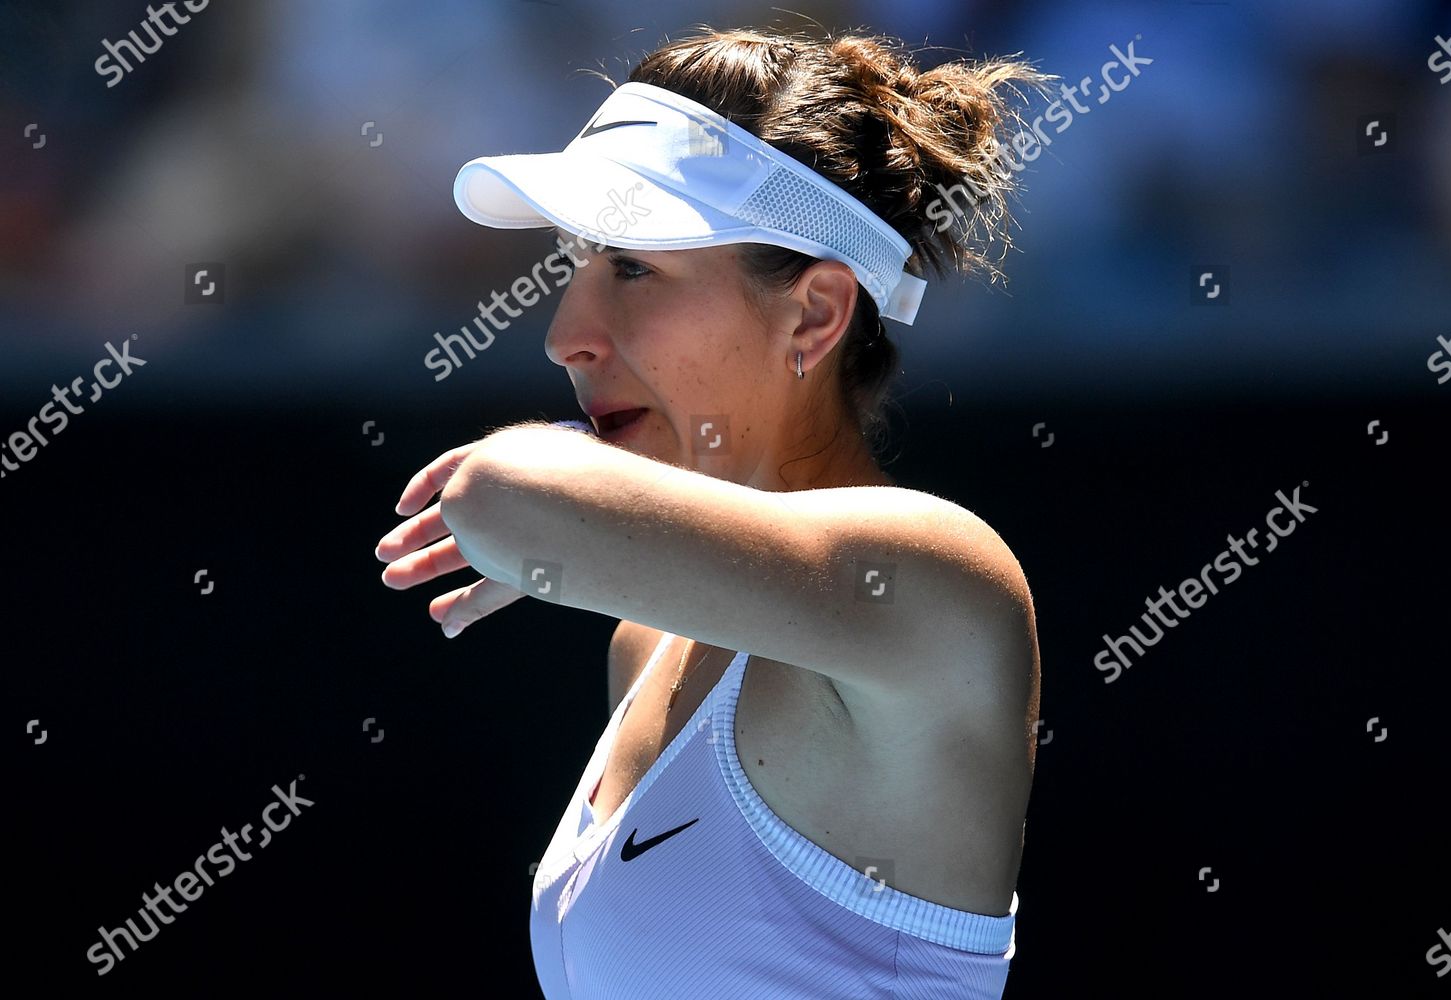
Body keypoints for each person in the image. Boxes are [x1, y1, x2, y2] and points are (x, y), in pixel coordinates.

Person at [376, 24, 1049, 999]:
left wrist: (556, 485)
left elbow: (498, 494)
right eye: (579, 262)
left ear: (815, 315)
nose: (567, 336)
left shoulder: (940, 583)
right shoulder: (645, 642)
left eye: (636, 268)